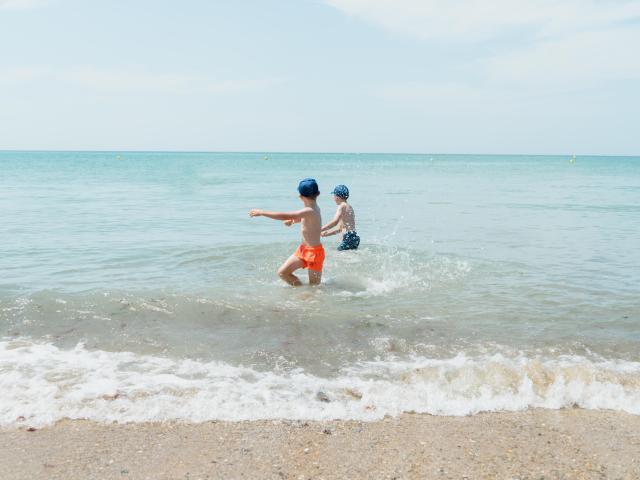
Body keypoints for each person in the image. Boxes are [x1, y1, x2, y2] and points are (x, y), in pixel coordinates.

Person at [249, 178, 324, 286]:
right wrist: (294, 221)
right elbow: (307, 219)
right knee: (282, 273)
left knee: (314, 286)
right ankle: (301, 289)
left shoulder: (309, 210)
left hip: (315, 253)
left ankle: (309, 296)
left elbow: (285, 215)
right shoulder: (312, 209)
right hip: (303, 250)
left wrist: (262, 212)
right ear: (318, 194)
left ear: (301, 197)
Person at [321, 184, 360, 250]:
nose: (333, 198)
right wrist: (326, 234)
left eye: (334, 196)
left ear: (337, 197)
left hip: (348, 237)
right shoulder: (349, 207)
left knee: (338, 253)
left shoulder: (341, 206)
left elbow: (335, 222)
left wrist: (321, 229)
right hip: (354, 238)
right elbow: (340, 229)